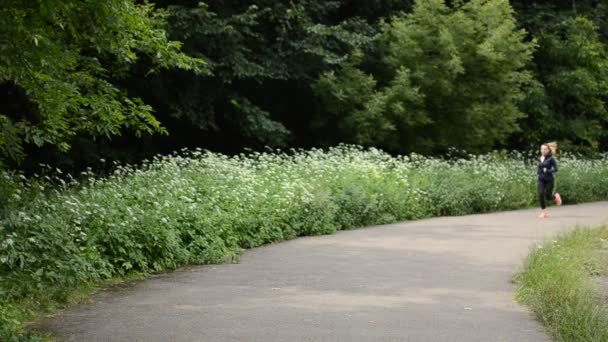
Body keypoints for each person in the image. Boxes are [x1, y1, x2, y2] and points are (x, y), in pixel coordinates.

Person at [538, 142, 562, 218]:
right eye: (542, 149)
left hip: (549, 180)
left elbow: (556, 169)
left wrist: (548, 170)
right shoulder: (539, 158)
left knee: (548, 196)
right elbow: (539, 167)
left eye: (545, 149)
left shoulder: (551, 159)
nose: (543, 150)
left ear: (548, 150)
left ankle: (556, 197)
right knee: (541, 194)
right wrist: (538, 172)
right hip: (541, 179)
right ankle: (544, 212)